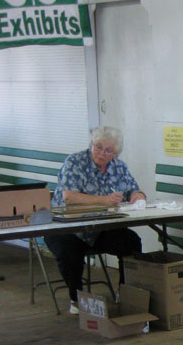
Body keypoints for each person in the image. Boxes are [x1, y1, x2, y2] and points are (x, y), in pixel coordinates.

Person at [46, 126, 146, 314]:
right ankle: (76, 298)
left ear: (115, 153)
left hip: (99, 227)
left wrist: (138, 196)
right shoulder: (75, 162)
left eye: (108, 150)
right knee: (69, 252)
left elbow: (134, 188)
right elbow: (69, 197)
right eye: (98, 147)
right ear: (91, 144)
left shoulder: (119, 166)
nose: (102, 153)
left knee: (131, 242)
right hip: (66, 227)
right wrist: (104, 200)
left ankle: (125, 293)